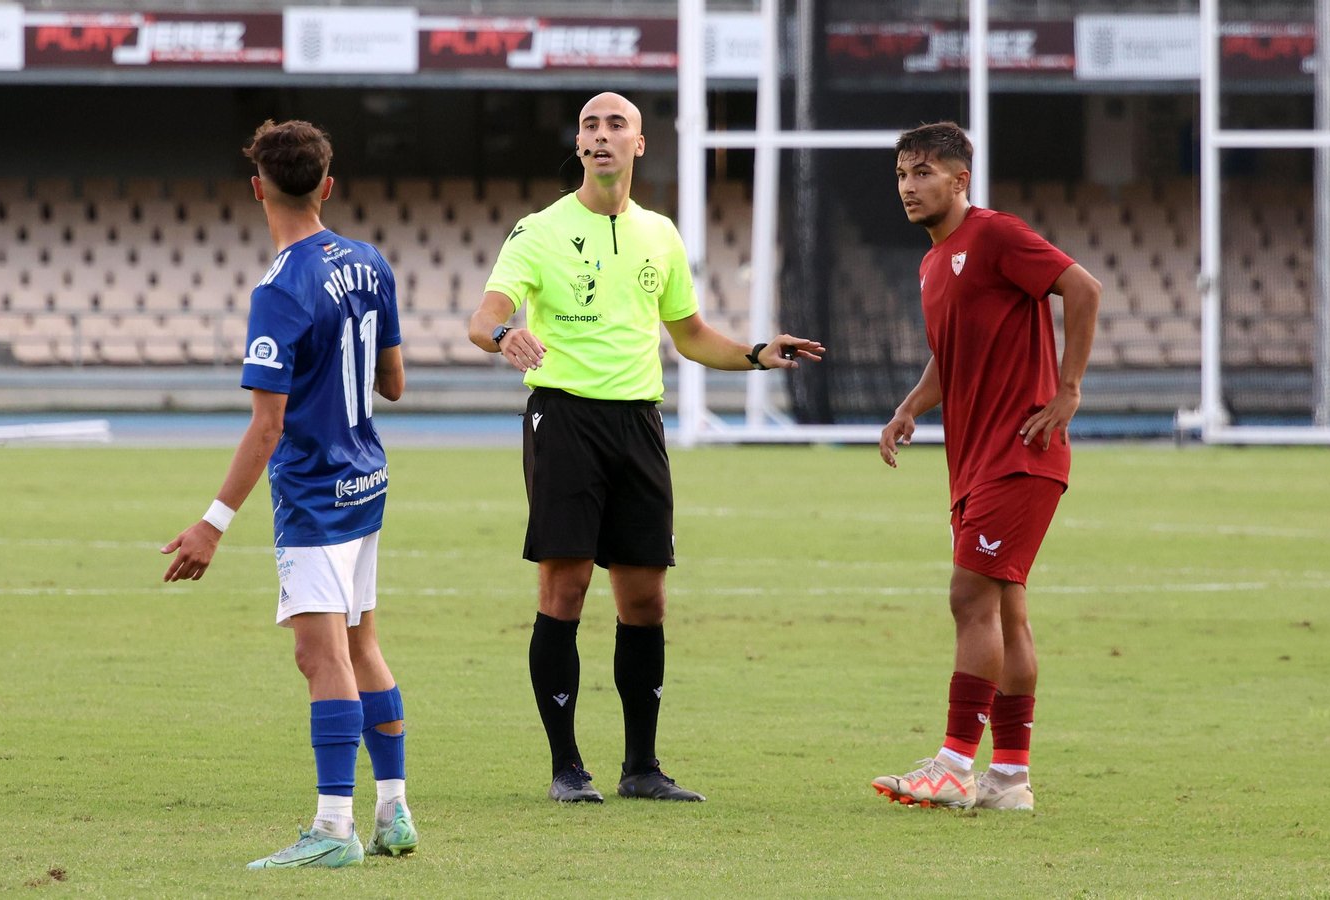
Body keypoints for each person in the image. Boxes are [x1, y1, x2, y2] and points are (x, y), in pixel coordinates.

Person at [467, 92, 826, 804]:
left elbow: (689, 335)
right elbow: (484, 318)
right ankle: (567, 768)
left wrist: (756, 352)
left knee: (646, 599)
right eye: (591, 127)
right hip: (564, 419)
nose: (603, 137)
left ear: (638, 145)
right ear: (578, 144)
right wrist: (506, 335)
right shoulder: (537, 231)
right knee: (563, 589)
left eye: (616, 126)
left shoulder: (661, 234)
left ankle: (641, 768)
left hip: (639, 426)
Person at [160, 119, 418, 866]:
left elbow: (266, 427)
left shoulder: (279, 289)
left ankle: (334, 830)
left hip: (314, 492)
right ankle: (393, 809)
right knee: (362, 642)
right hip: (368, 479)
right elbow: (394, 384)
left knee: (320, 656)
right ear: (328, 185)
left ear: (257, 188)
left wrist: (212, 524)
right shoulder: (369, 262)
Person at [870, 122, 1101, 811]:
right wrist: (912, 404)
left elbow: (1083, 289)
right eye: (903, 175)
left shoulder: (995, 235)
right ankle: (1008, 780)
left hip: (1019, 454)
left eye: (923, 173)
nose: (910, 187)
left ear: (959, 179)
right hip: (975, 461)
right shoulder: (934, 262)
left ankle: (951, 764)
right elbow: (954, 350)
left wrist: (1068, 389)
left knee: (969, 598)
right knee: (1007, 612)